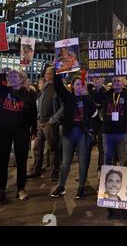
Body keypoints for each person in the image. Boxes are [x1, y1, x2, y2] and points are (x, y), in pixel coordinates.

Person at [0, 51, 37, 203]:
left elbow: (33, 114)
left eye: (16, 76)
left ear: (22, 80)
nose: (12, 78)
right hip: (4, 132)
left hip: (21, 133)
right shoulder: (4, 91)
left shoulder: (28, 95)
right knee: (2, 160)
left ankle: (20, 189)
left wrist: (33, 130)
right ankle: (0, 189)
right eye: (11, 77)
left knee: (21, 161)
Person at [50, 70, 97, 199]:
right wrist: (57, 70)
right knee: (65, 162)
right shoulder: (68, 98)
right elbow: (58, 86)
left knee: (83, 162)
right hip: (69, 134)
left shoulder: (87, 98)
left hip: (82, 134)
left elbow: (94, 113)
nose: (79, 87)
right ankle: (61, 186)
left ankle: (81, 187)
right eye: (76, 84)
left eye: (81, 85)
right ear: (72, 86)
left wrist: (86, 97)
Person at [28, 67, 60, 181]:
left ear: (53, 74)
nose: (46, 75)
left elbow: (63, 107)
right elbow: (40, 102)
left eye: (48, 73)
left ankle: (55, 171)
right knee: (37, 147)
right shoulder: (45, 87)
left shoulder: (58, 88)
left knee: (53, 149)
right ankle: (37, 169)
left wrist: (54, 119)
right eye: (46, 73)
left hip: (49, 123)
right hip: (40, 122)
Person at [101, 77, 127, 166]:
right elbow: (94, 94)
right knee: (107, 157)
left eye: (118, 81)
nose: (116, 83)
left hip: (123, 132)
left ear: (123, 83)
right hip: (108, 132)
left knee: (123, 158)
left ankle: (123, 179)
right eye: (114, 81)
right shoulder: (106, 95)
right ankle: (108, 178)